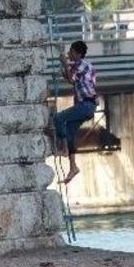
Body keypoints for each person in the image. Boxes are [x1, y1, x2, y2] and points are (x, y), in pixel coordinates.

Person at [54, 40, 97, 184]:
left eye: (71, 51)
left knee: (58, 118)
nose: (68, 53)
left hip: (86, 105)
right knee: (69, 131)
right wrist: (63, 65)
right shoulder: (79, 65)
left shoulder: (83, 65)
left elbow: (71, 76)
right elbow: (71, 80)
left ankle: (64, 149)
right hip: (86, 106)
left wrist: (64, 64)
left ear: (78, 53)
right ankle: (73, 167)